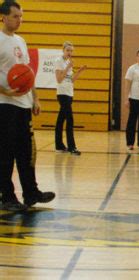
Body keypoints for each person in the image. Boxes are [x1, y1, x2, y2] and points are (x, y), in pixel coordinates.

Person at [0, 0, 55, 211]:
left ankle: (31, 193)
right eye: (16, 16)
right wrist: (4, 90)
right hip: (5, 105)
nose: (20, 20)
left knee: (26, 152)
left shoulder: (21, 41)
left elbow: (27, 73)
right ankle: (7, 197)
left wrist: (36, 99)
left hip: (24, 105)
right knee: (6, 153)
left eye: (21, 16)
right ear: (3, 17)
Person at [54, 41, 87, 155]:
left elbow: (71, 79)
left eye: (71, 50)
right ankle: (72, 147)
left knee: (60, 120)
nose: (70, 52)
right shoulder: (59, 61)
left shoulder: (68, 62)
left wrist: (79, 71)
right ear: (63, 50)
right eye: (68, 50)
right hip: (62, 93)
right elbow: (59, 79)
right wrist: (68, 67)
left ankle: (59, 146)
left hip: (69, 93)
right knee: (70, 119)